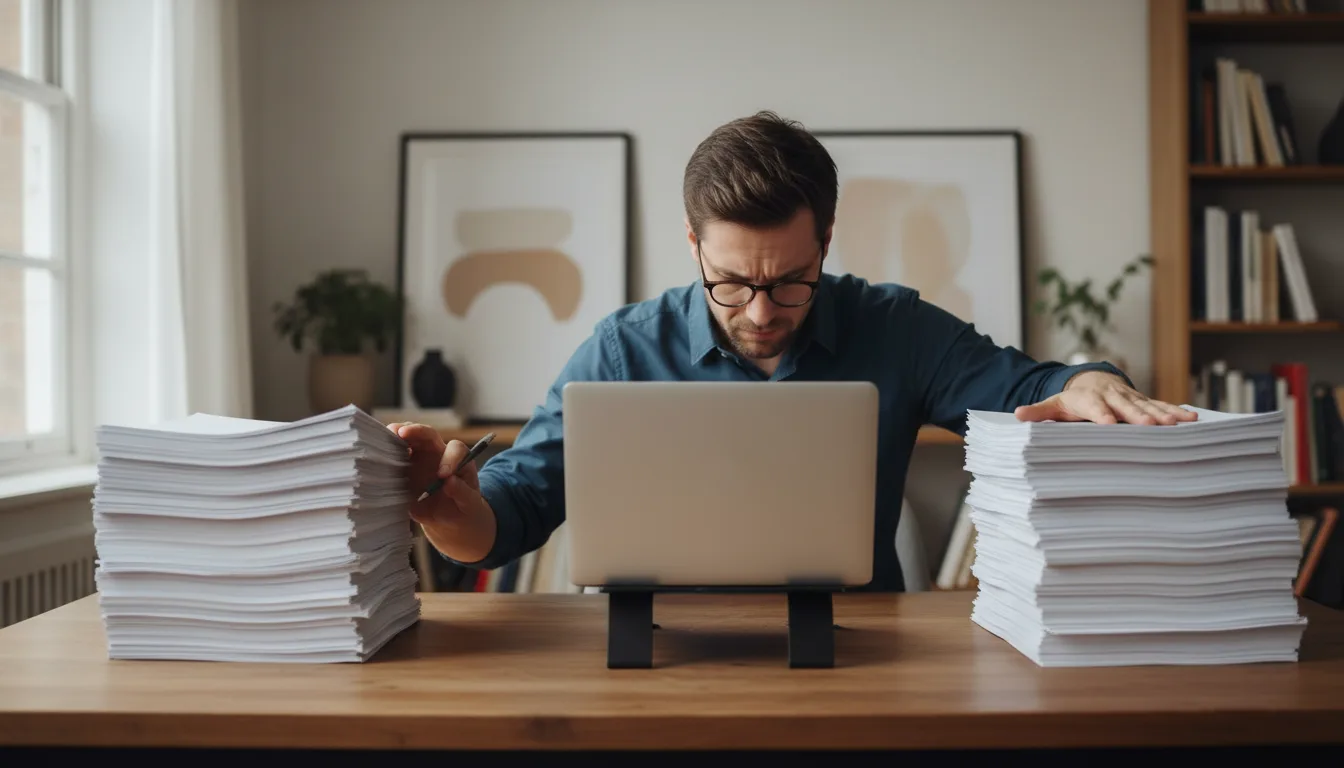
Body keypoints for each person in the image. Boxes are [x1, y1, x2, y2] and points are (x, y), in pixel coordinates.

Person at [389, 111, 1196, 592]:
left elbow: (1036, 385)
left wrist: (1092, 379)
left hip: (861, 658)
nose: (763, 312)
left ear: (828, 241)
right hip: (655, 661)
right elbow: (512, 515)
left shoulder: (896, 328)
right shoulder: (625, 348)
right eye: (731, 284)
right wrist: (450, 513)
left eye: (791, 282)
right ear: (693, 244)